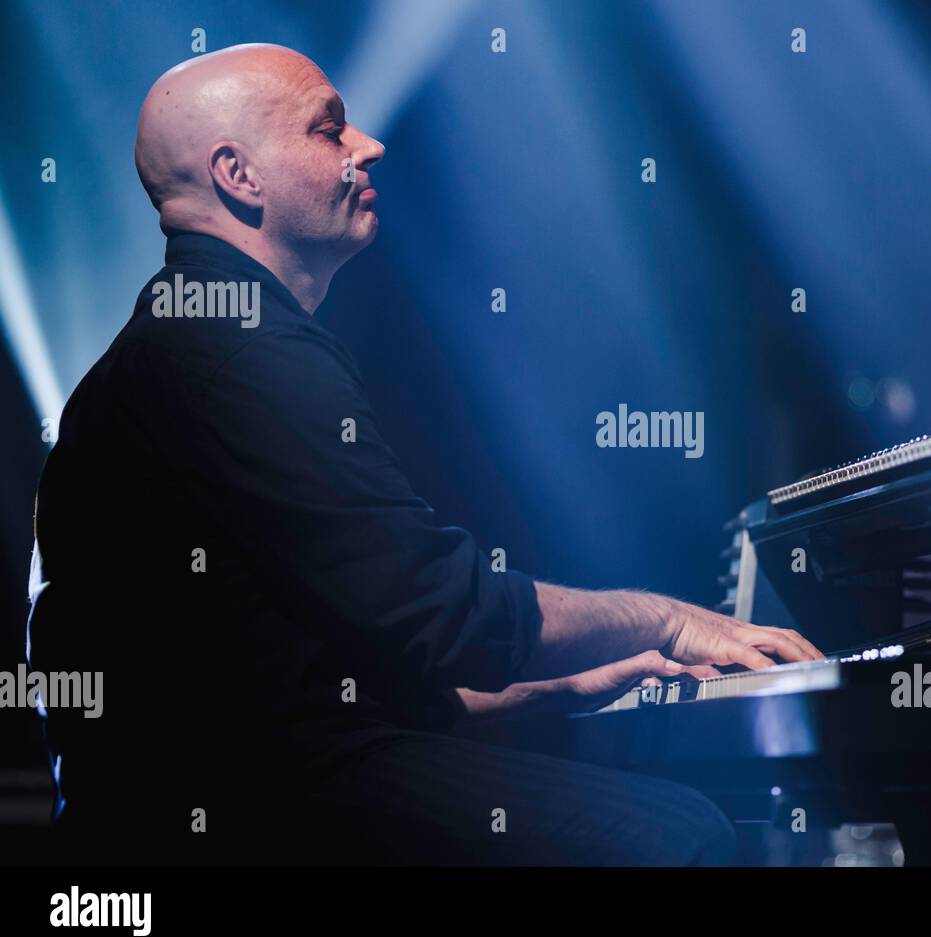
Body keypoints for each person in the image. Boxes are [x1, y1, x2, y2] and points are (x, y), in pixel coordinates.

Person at [27, 43, 819, 865]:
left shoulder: (193, 335)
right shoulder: (234, 348)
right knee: (675, 834)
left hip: (196, 793)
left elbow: (286, 677)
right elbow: (445, 613)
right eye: (328, 129)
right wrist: (668, 621)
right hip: (232, 811)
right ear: (240, 175)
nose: (366, 145)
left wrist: (544, 692)